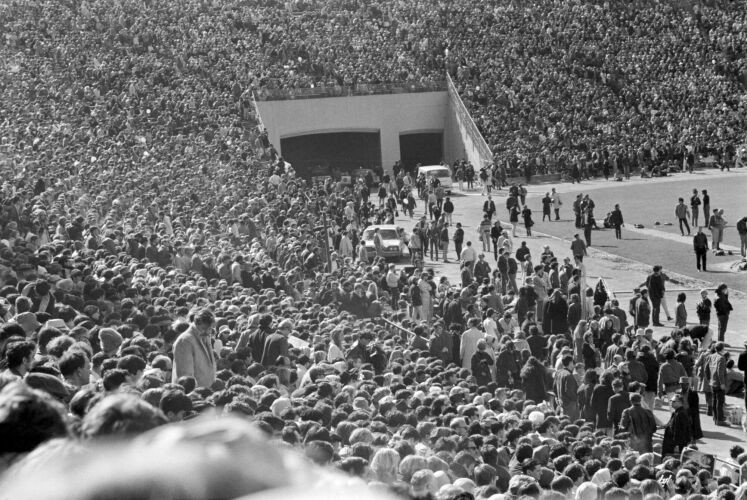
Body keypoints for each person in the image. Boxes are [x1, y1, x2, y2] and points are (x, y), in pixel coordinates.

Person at [172, 308, 217, 389]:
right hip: (194, 394)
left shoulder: (205, 335)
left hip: (206, 391)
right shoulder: (185, 341)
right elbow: (185, 376)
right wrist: (193, 395)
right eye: (206, 328)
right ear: (198, 323)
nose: (209, 331)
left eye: (210, 328)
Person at [709, 342, 729, 426]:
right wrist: (722, 383)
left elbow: (707, 369)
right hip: (719, 383)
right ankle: (719, 420)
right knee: (720, 402)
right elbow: (720, 372)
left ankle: (715, 418)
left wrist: (709, 379)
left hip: (712, 382)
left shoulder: (711, 356)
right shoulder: (722, 358)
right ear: (722, 349)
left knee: (714, 401)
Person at [554, 355, 579, 420]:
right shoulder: (568, 375)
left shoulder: (558, 373)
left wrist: (557, 398)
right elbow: (569, 391)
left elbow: (554, 387)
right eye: (573, 362)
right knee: (571, 425)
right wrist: (577, 399)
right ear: (570, 363)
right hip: (570, 405)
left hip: (561, 404)